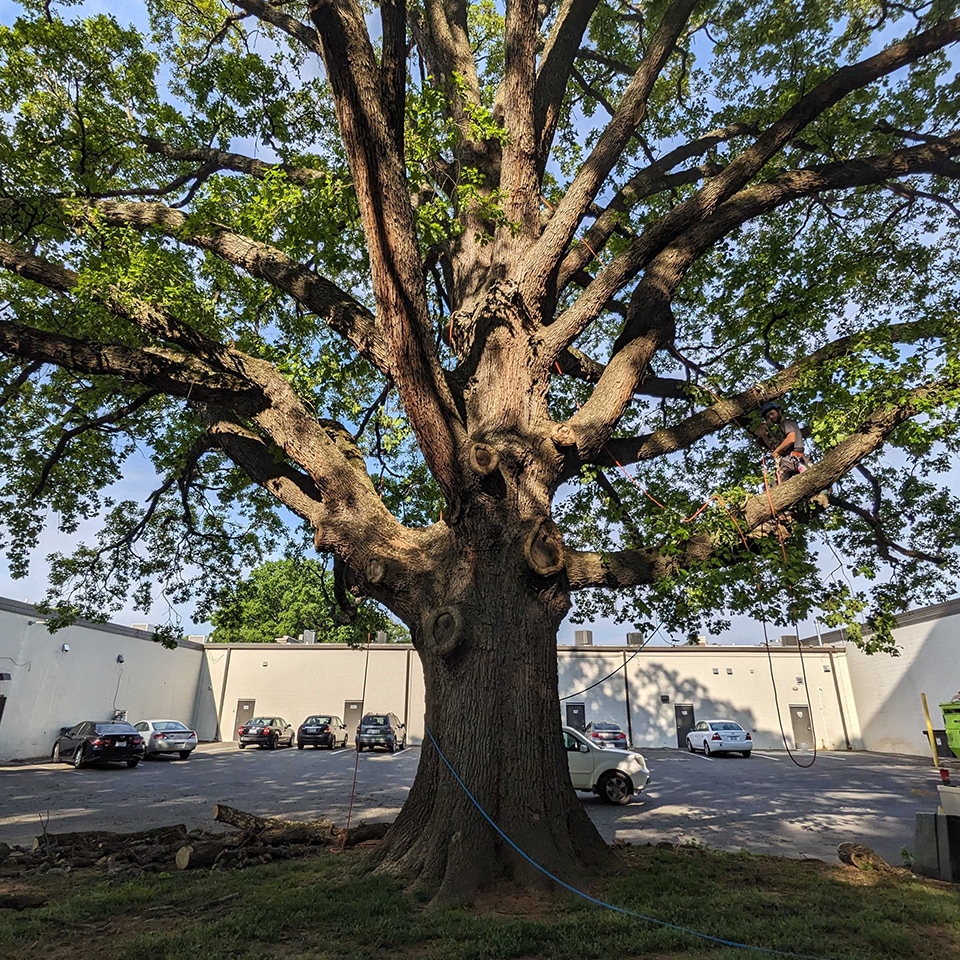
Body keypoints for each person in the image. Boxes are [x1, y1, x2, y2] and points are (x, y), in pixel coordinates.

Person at [757, 401, 807, 482]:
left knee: (776, 483)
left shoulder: (786, 423)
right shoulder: (781, 429)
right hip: (791, 460)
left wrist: (777, 451)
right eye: (768, 416)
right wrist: (764, 436)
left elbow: (791, 438)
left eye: (772, 413)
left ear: (779, 411)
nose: (771, 417)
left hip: (794, 459)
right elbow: (775, 449)